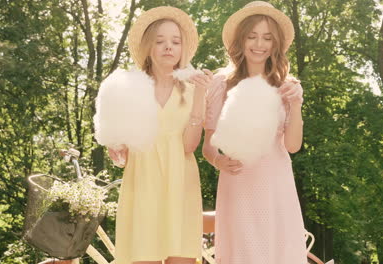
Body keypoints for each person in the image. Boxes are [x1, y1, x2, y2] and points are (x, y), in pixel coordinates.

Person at [101, 6, 212, 264]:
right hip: (143, 184)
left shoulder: (192, 87)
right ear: (148, 46)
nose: (168, 47)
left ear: (183, 48)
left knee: (181, 257)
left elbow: (188, 146)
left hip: (180, 184)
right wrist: (115, 145)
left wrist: (200, 97)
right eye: (160, 41)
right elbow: (120, 147)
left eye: (175, 41)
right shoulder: (129, 87)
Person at [202, 1, 307, 264]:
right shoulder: (220, 85)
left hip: (276, 184)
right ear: (241, 40)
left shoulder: (288, 87)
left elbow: (293, 146)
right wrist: (218, 160)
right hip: (237, 185)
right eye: (252, 36)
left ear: (276, 44)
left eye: (267, 38)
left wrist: (296, 104)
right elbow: (208, 145)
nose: (259, 44)